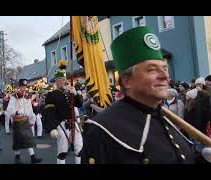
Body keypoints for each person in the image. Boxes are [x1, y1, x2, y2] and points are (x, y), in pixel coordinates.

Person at [80, 26, 202, 164]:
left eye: (165, 68)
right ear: (127, 81)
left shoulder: (164, 119)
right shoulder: (101, 130)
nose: (165, 76)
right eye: (152, 70)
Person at [44, 60, 83, 164]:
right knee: (63, 152)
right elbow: (49, 112)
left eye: (63, 79)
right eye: (59, 79)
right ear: (56, 81)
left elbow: (79, 104)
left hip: (74, 124)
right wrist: (52, 127)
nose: (62, 81)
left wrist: (75, 94)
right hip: (61, 124)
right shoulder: (51, 95)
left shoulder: (69, 92)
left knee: (79, 150)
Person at [6, 79, 42, 164]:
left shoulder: (27, 96)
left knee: (29, 139)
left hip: (26, 120)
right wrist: (17, 112)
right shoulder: (14, 96)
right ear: (19, 86)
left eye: (25, 86)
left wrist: (31, 118)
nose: (24, 88)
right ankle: (17, 157)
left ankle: (33, 157)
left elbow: (29, 108)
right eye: (22, 86)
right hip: (17, 120)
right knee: (18, 140)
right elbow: (9, 109)